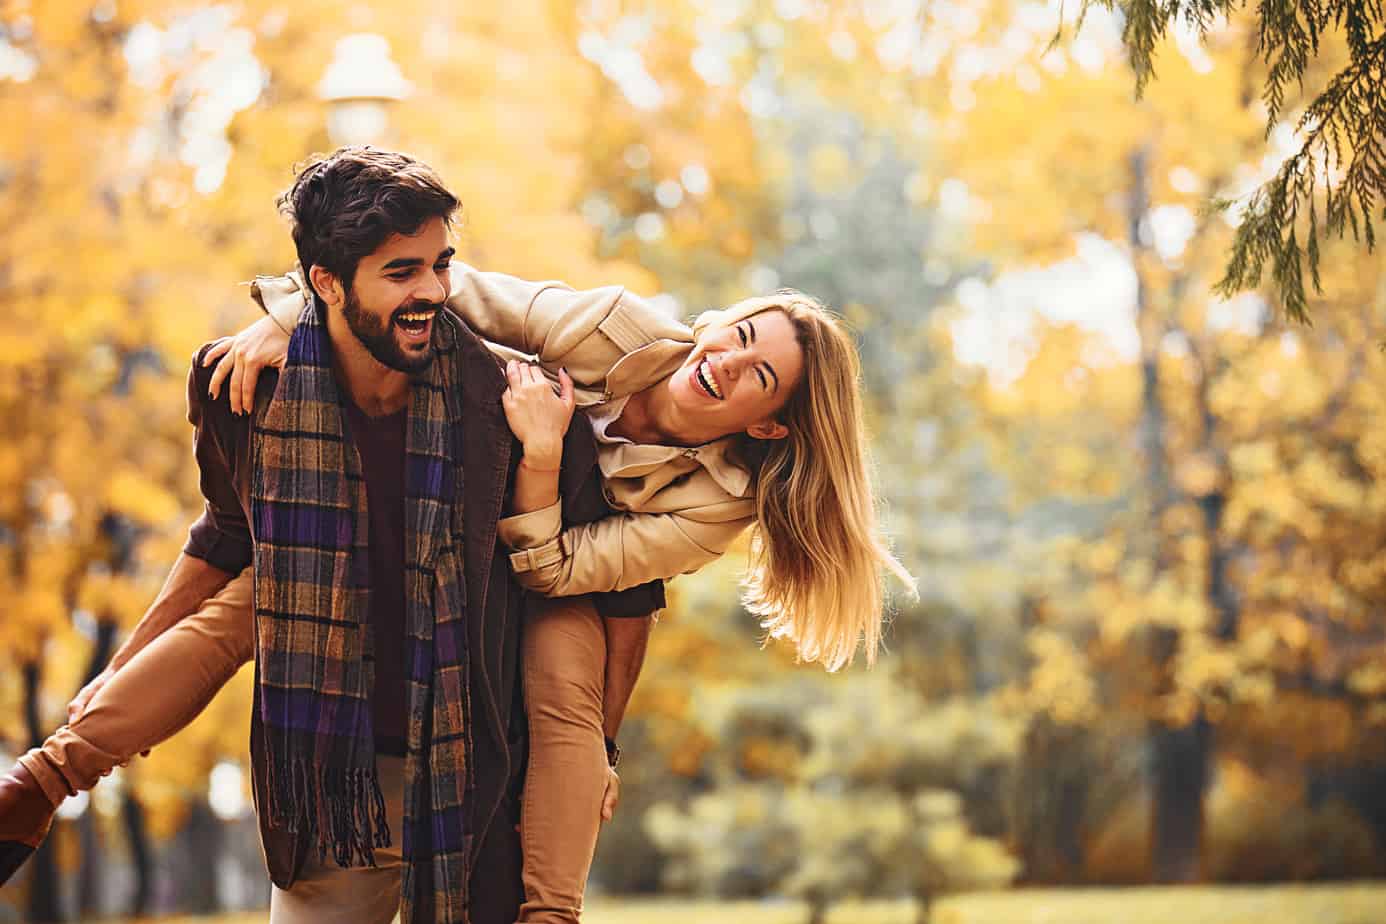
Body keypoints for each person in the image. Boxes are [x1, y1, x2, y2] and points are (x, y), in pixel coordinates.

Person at [0, 147, 667, 924]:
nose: (433, 293)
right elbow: (225, 538)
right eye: (401, 273)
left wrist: (601, 748)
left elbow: (620, 594)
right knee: (251, 596)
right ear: (324, 282)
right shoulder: (246, 390)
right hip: (331, 777)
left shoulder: (516, 405)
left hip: (475, 777)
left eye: (440, 265)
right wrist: (120, 669)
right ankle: (36, 787)